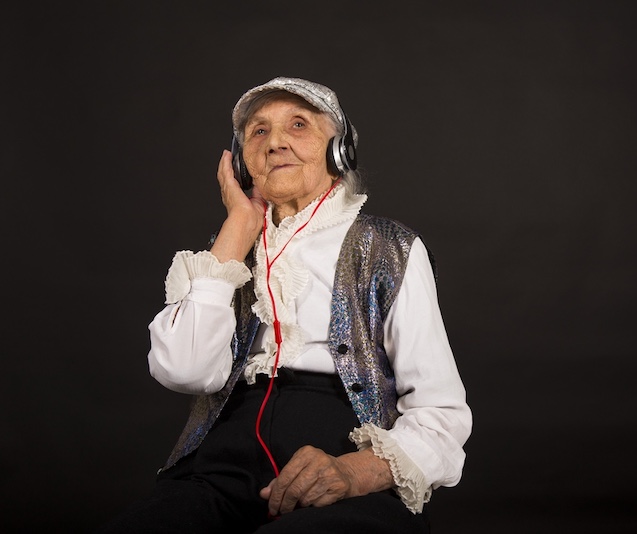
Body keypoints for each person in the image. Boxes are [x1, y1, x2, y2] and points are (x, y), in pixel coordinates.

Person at [96, 76, 472, 534]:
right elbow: (184, 370)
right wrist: (238, 227)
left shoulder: (387, 247)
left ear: (340, 151)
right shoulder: (224, 255)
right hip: (220, 469)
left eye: (298, 125)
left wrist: (352, 472)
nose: (275, 142)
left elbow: (441, 415)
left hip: (343, 462)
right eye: (258, 131)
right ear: (242, 164)